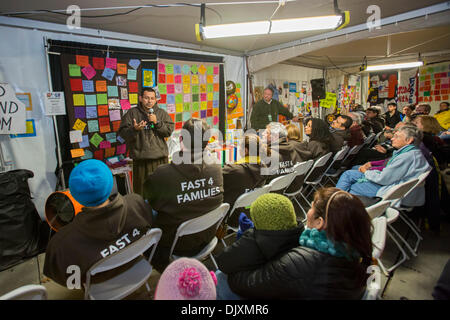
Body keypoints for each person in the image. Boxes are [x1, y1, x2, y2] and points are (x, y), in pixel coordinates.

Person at [219, 188, 372, 300]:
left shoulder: (301, 262)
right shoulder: (355, 252)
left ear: (320, 222)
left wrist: (254, 239)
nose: (308, 213)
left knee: (220, 279)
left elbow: (246, 284)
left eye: (311, 207)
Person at [43, 159, 153, 287]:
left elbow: (70, 282)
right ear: (110, 183)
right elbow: (149, 226)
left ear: (73, 194)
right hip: (136, 269)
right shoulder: (136, 204)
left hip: (99, 286)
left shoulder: (62, 243)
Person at [143, 118, 223, 272]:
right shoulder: (216, 166)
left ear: (181, 140)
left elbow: (150, 201)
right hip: (207, 236)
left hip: (176, 245)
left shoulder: (163, 173)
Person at [215, 193, 304, 300]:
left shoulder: (253, 241)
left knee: (219, 276)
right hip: (280, 287)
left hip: (253, 288)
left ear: (258, 221)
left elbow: (223, 262)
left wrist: (248, 236)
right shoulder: (303, 237)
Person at [336, 125, 431, 206]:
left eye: (397, 137)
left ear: (409, 140)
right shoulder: (413, 153)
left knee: (352, 186)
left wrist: (367, 172)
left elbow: (383, 179)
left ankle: (336, 205)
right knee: (349, 177)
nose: (392, 138)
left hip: (394, 193)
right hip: (401, 190)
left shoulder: (406, 157)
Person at [118, 88, 174, 196]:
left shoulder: (161, 113)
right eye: (146, 98)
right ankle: (143, 212)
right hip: (141, 161)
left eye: (152, 98)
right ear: (140, 98)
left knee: (161, 191)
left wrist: (157, 122)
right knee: (142, 193)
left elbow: (168, 131)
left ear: (156, 100)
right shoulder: (132, 113)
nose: (149, 101)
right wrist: (134, 129)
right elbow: (122, 134)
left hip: (160, 159)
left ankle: (162, 212)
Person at [222, 134, 267, 227]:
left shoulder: (234, 170)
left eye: (239, 148)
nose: (238, 150)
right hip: (252, 212)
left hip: (234, 217)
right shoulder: (264, 167)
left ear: (246, 150)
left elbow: (215, 175)